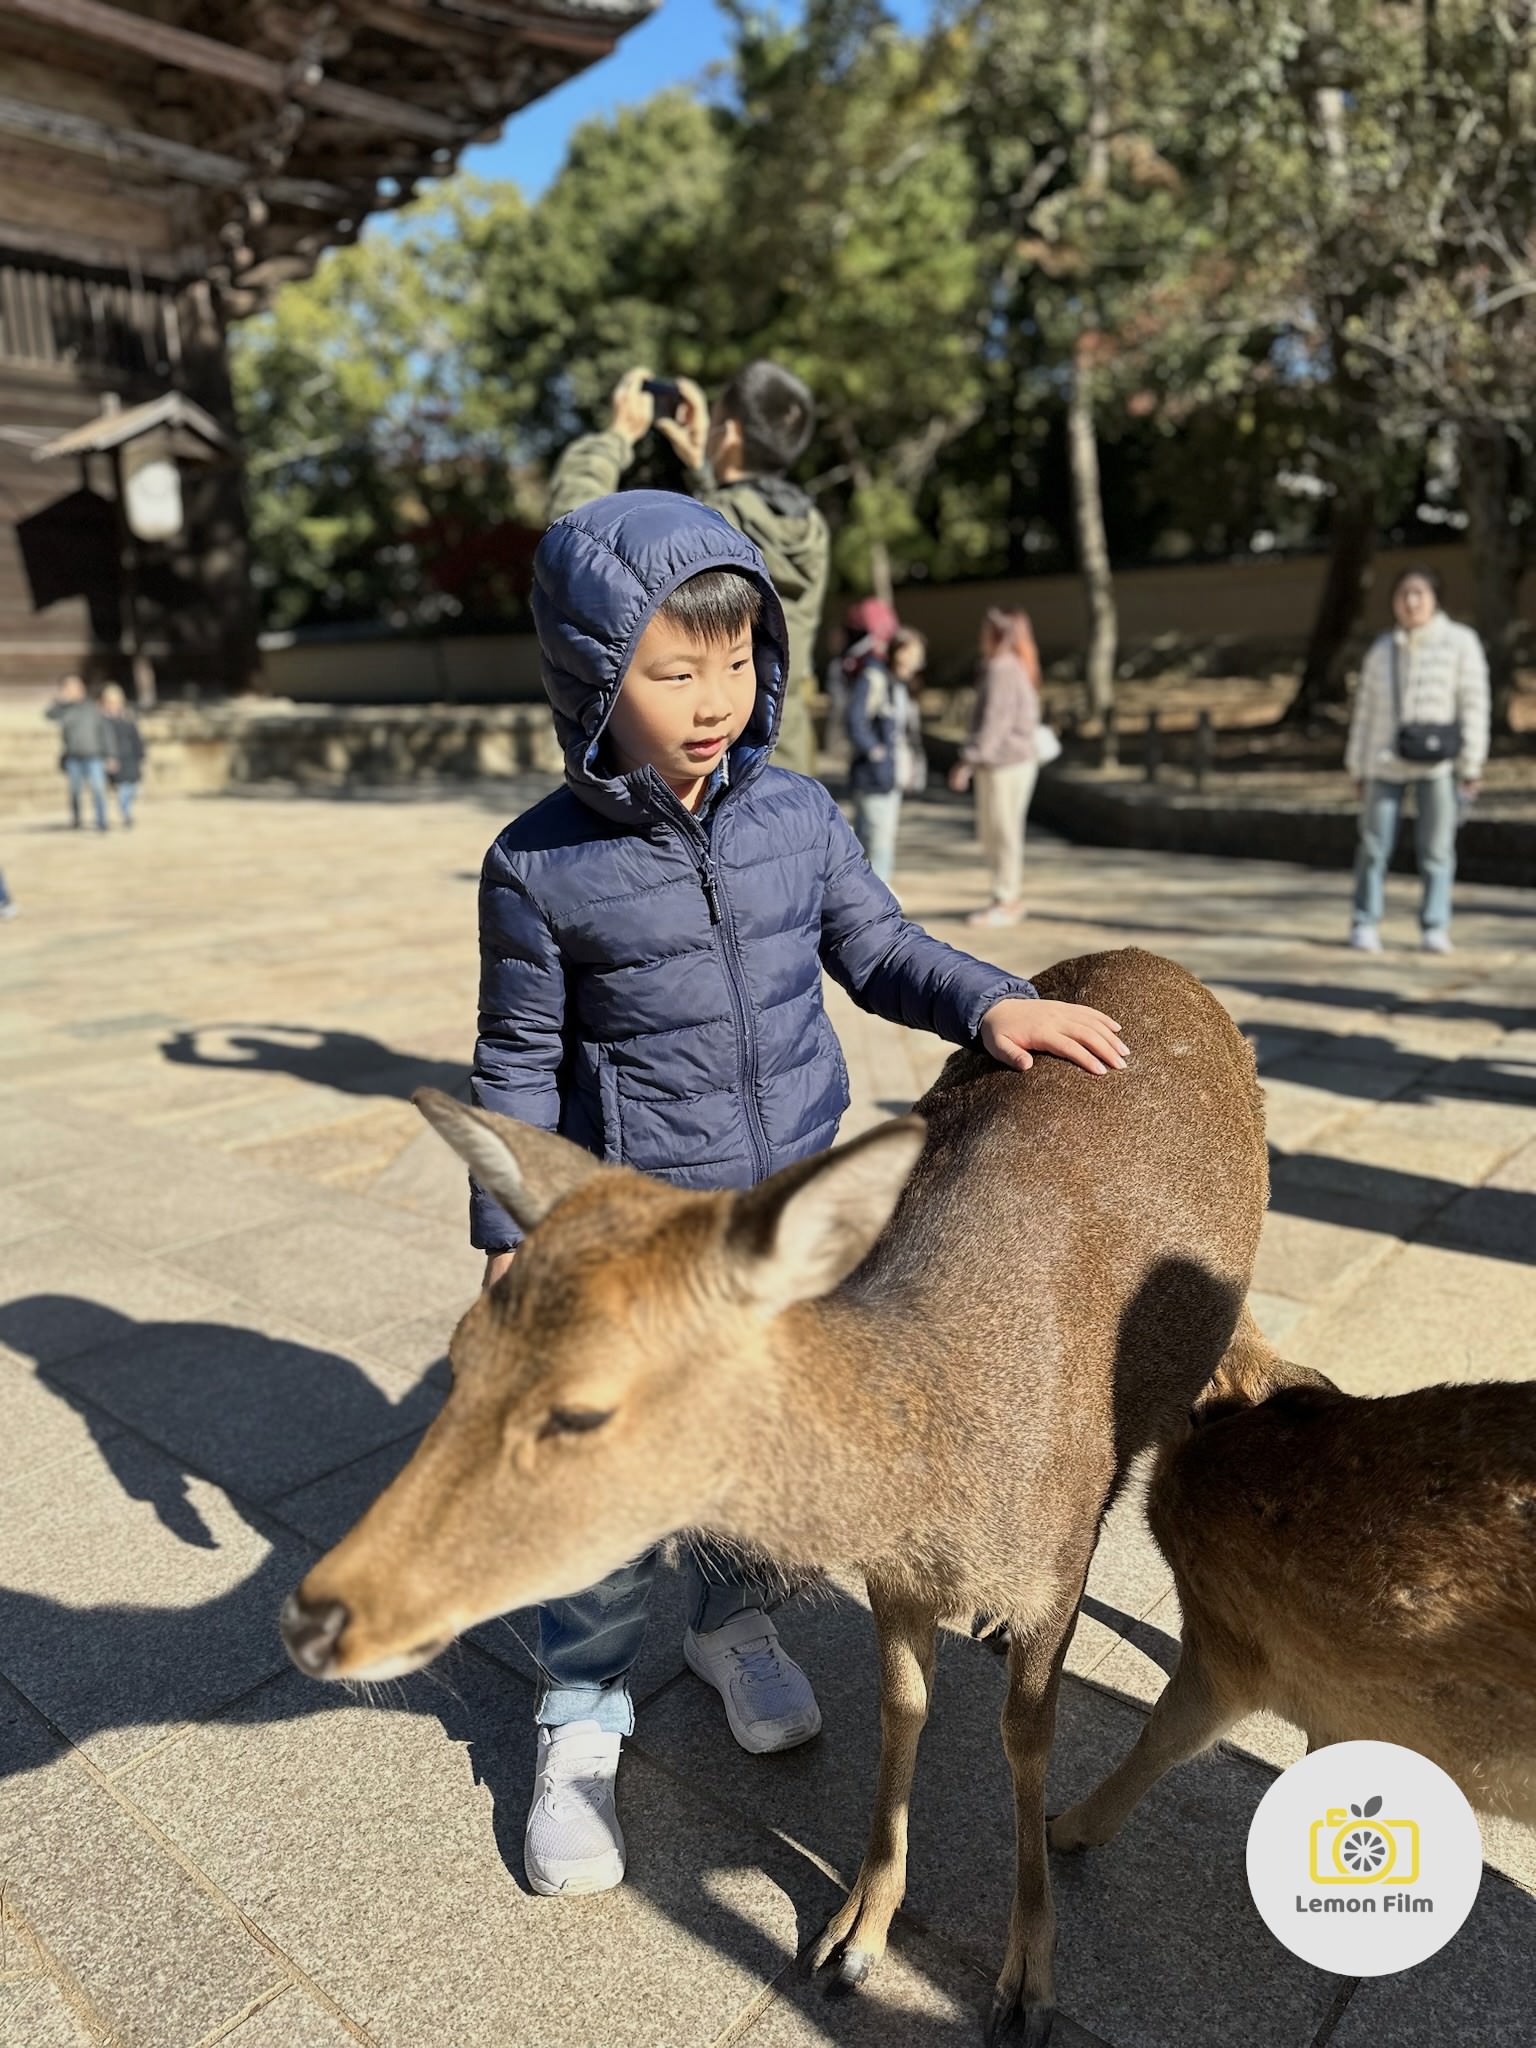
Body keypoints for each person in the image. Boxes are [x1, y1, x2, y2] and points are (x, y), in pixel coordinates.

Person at [471, 491, 1129, 1900]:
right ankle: (580, 1713)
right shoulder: (536, 865)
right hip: (647, 1234)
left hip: (800, 1215)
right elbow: (519, 1055)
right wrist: (508, 1227)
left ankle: (733, 1624)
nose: (715, 701)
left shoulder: (796, 814)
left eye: (737, 661)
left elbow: (877, 946)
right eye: (671, 671)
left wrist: (997, 1004)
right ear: (594, 677)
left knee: (773, 1453)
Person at [546, 361, 829, 777]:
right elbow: (734, 527)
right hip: (786, 759)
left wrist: (617, 436)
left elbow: (577, 540)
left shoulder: (711, 526)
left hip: (711, 768)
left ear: (730, 434)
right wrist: (703, 465)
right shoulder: (810, 530)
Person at [1346, 567, 1490, 955]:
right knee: (1373, 846)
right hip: (1383, 761)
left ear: (1435, 598)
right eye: (1403, 594)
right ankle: (1364, 921)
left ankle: (1434, 924)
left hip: (1439, 764)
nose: (1411, 602)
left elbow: (1474, 705)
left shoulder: (1461, 642)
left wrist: (1471, 764)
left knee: (1438, 849)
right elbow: (1364, 712)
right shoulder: (1382, 649)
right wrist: (1357, 765)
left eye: (1419, 593)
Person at [948, 608, 1043, 927]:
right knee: (999, 830)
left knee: (1001, 831)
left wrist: (968, 761)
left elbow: (995, 724)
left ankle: (1006, 900)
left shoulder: (1002, 668)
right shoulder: (1012, 666)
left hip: (1005, 762)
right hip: (1011, 760)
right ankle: (1005, 896)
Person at [842, 597, 905, 883]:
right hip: (874, 773)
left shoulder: (872, 671)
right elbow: (855, 720)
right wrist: (876, 751)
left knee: (874, 838)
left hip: (878, 771)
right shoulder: (872, 673)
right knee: (875, 840)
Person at [45, 674, 109, 832]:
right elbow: (48, 715)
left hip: (94, 755)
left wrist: (109, 754)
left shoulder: (93, 707)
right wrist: (60, 700)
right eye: (68, 687)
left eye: (75, 686)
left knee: (98, 789)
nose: (72, 690)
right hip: (73, 756)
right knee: (74, 791)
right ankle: (77, 819)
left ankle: (101, 821)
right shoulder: (64, 709)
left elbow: (105, 731)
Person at [100, 683, 145, 829]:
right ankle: (126, 813)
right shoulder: (102, 722)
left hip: (130, 758)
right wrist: (107, 758)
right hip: (115, 759)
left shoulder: (127, 719)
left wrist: (140, 754)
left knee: (132, 788)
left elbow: (136, 738)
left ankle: (126, 810)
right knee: (123, 788)